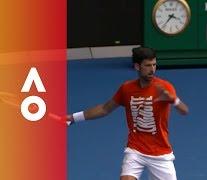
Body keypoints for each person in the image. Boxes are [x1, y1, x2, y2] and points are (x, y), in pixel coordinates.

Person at [67, 47, 189, 180]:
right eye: (147, 65)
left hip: (160, 154)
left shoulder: (164, 87)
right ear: (137, 66)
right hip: (135, 150)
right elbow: (105, 108)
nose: (152, 69)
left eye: (154, 64)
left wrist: (174, 100)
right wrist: (73, 117)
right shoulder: (127, 89)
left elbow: (184, 111)